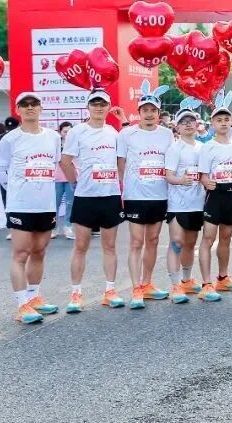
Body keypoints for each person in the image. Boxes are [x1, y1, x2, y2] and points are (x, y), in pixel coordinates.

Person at [0, 92, 63, 323]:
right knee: (21, 253)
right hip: (20, 205)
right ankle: (22, 304)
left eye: (34, 104)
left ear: (41, 108)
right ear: (18, 110)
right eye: (25, 105)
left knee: (39, 251)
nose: (30, 108)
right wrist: (15, 189)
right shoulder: (10, 139)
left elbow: (54, 165)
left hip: (45, 204)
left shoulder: (53, 137)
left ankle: (34, 297)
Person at [59, 89, 127, 312]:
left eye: (102, 104)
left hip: (110, 195)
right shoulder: (77, 132)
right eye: (94, 104)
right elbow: (65, 161)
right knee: (80, 246)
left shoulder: (113, 132)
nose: (98, 107)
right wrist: (75, 183)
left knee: (110, 245)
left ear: (108, 107)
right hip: (85, 196)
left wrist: (120, 182)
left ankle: (110, 291)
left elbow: (121, 161)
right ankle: (76, 294)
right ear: (88, 107)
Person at [117, 80, 174, 308]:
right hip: (135, 195)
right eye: (145, 110)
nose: (149, 114)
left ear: (159, 113)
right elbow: (121, 163)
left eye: (153, 110)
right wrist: (125, 187)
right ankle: (136, 288)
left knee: (153, 240)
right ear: (139, 112)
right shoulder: (127, 134)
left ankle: (147, 283)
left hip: (159, 195)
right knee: (136, 242)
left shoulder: (167, 134)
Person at [197, 90, 232, 300]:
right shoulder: (208, 147)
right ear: (212, 123)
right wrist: (205, 181)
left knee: (226, 238)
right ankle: (206, 284)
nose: (223, 123)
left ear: (231, 122)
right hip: (215, 196)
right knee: (208, 238)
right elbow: (202, 175)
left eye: (226, 119)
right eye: (219, 120)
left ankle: (223, 278)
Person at [163, 98, 207, 303]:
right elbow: (168, 176)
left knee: (190, 243)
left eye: (191, 121)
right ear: (177, 127)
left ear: (197, 125)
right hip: (177, 204)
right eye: (183, 122)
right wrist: (180, 180)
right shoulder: (175, 148)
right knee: (176, 242)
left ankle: (187, 280)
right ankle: (175, 286)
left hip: (197, 203)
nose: (188, 124)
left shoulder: (202, 147)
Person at [54, 121, 76, 239]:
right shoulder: (55, 144)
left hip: (71, 178)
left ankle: (68, 227)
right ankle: (53, 227)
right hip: (56, 178)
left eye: (69, 132)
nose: (67, 134)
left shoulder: (76, 143)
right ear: (60, 132)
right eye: (65, 132)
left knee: (70, 203)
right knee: (55, 203)